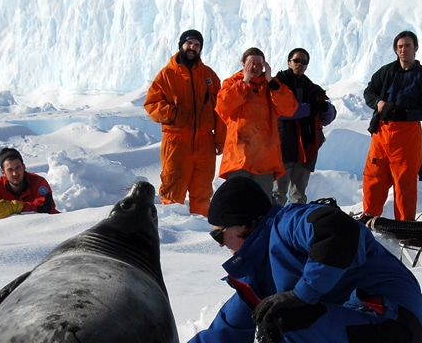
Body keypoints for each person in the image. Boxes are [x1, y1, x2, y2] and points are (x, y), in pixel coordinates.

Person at [88, 177, 422, 343]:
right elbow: (223, 337)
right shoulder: (260, 276)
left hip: (387, 322)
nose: (218, 242)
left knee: (280, 326)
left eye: (219, 232)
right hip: (364, 338)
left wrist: (301, 295)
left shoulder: (286, 224)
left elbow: (334, 230)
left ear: (243, 225)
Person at [144, 29, 225, 215]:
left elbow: (220, 110)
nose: (192, 48)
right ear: (181, 45)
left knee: (203, 192)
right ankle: (174, 237)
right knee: (173, 189)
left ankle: (198, 235)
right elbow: (151, 104)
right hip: (176, 141)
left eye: (197, 45)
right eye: (189, 44)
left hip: (205, 142)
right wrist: (173, 114)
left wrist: (220, 139)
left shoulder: (209, 76)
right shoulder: (167, 75)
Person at [361, 30, 422, 221]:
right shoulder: (386, 72)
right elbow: (369, 91)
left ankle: (404, 223)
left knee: (405, 182)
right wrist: (379, 103)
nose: (404, 50)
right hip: (382, 132)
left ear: (416, 48)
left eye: (408, 46)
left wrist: (406, 114)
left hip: (407, 136)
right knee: (374, 176)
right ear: (396, 49)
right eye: (400, 46)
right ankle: (369, 215)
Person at [215, 47, 299, 198]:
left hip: (265, 158)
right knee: (238, 200)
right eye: (251, 63)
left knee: (262, 202)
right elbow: (223, 105)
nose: (256, 67)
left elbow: (289, 108)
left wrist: (271, 82)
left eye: (260, 64)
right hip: (239, 156)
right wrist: (244, 82)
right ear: (243, 64)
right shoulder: (232, 83)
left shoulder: (273, 85)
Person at [273, 47, 337, 204]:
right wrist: (310, 108)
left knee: (299, 194)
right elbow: (282, 110)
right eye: (296, 61)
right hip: (283, 146)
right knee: (277, 194)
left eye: (304, 62)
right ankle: (274, 225)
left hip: (305, 148)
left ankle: (295, 225)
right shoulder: (276, 85)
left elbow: (329, 115)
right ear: (289, 62)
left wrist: (326, 108)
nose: (300, 64)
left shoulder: (312, 89)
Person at [0, 147, 58, 218]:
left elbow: (47, 208)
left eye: (17, 167)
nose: (15, 173)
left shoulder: (38, 182)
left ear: (23, 167)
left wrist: (16, 207)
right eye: (10, 170)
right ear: (3, 172)